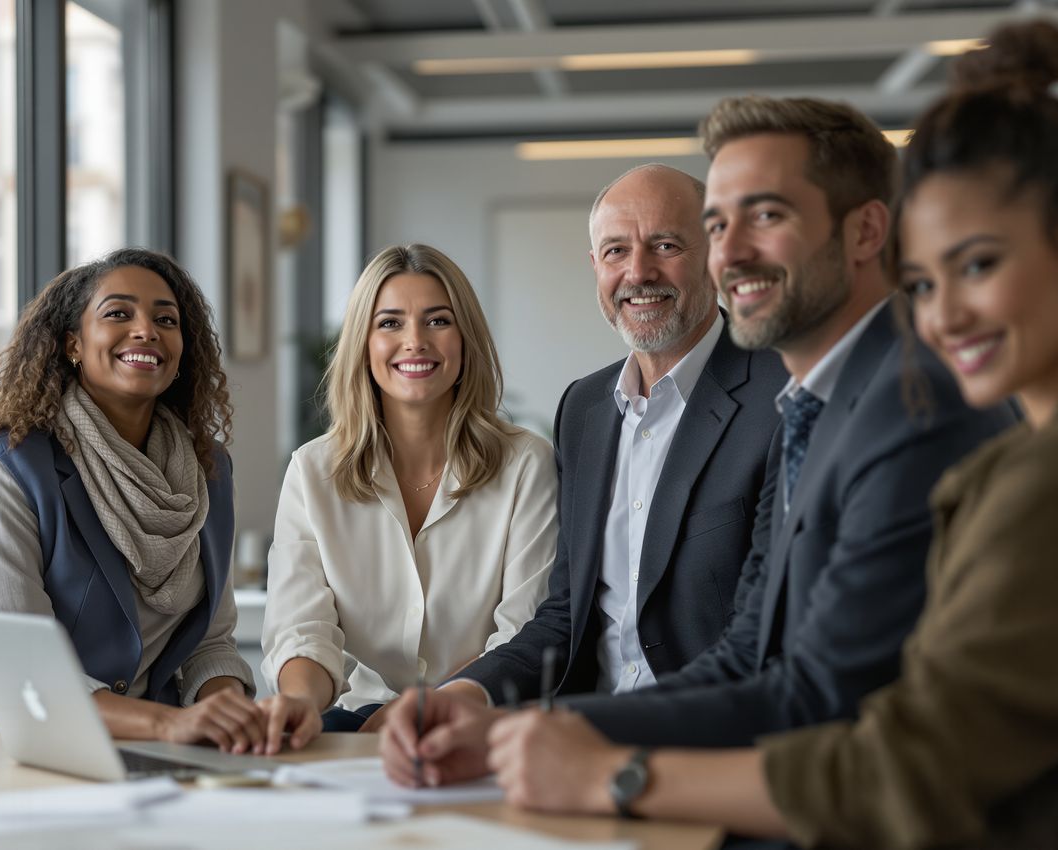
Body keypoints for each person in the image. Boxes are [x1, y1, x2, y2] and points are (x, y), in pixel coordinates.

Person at [480, 19, 1058, 850]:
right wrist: (552, 733)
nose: (945, 313)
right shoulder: (815, 403)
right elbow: (757, 657)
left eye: (980, 265)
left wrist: (612, 772)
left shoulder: (966, 427)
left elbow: (892, 749)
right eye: (925, 280)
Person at [383, 96, 1017, 788]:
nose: (731, 251)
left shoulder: (905, 404)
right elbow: (741, 651)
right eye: (719, 225)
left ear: (866, 232)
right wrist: (492, 715)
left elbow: (820, 697)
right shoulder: (810, 400)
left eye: (767, 215)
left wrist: (605, 774)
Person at [380, 164, 789, 781]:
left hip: (710, 754)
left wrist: (581, 731)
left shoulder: (779, 395)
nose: (638, 272)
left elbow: (761, 642)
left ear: (714, 256)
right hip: (573, 752)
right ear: (594, 266)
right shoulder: (585, 409)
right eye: (615, 251)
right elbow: (563, 617)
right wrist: (461, 696)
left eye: (667, 246)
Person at [0, 248, 267, 752]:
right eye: (118, 314)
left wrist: (227, 710)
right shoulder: (7, 469)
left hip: (140, 754)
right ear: (73, 344)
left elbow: (209, 643)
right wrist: (166, 724)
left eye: (165, 319)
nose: (146, 330)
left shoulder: (207, 470)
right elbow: (18, 670)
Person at [256, 243, 558, 747]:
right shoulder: (313, 470)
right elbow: (302, 627)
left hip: (480, 718)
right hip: (353, 719)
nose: (414, 341)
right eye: (390, 323)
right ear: (363, 343)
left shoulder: (526, 464)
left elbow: (523, 631)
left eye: (438, 321)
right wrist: (299, 704)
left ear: (466, 340)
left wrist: (430, 707)